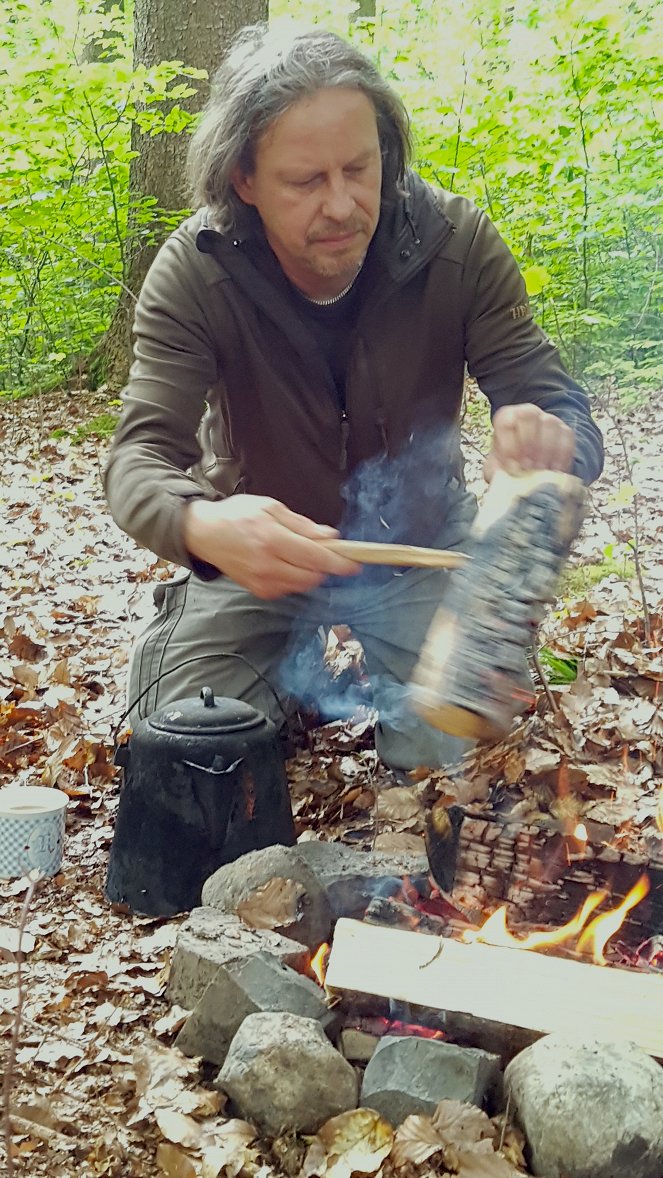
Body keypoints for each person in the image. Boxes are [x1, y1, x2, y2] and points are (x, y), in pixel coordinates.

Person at [104, 23, 604, 771]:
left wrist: (548, 437)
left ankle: (354, 684)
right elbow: (138, 458)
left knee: (460, 765)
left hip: (419, 552)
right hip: (261, 560)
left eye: (358, 169)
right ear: (244, 179)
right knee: (177, 745)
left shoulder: (454, 245)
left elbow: (558, 405)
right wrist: (202, 524)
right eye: (305, 182)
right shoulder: (197, 270)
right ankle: (291, 678)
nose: (340, 205)